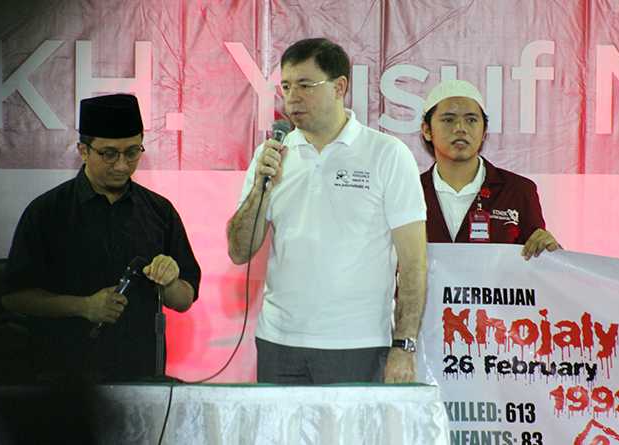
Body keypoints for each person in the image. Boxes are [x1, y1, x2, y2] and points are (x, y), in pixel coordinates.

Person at [227, 38, 427, 384]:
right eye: (286, 86)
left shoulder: (386, 154)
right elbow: (239, 250)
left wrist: (404, 345)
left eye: (305, 85)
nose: (292, 97)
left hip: (357, 343)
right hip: (279, 342)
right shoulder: (272, 155)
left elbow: (413, 264)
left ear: (340, 87)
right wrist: (261, 184)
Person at [2, 94, 201, 383]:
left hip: (140, 377)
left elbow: (183, 300)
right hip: (62, 380)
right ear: (84, 150)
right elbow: (14, 297)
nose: (122, 165)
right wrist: (84, 306)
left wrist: (170, 282)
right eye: (109, 153)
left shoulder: (160, 212)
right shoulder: (47, 212)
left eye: (132, 152)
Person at [420, 80, 560, 257]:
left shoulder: (518, 190)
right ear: (427, 130)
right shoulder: (408, 192)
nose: (460, 128)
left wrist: (551, 252)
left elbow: (538, 265)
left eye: (471, 120)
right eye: (448, 120)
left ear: (484, 131)